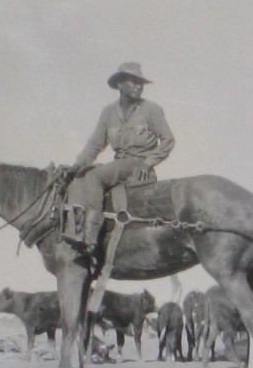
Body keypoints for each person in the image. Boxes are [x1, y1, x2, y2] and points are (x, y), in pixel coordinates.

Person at [61, 62, 175, 255]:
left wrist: (148, 163)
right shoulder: (108, 113)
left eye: (141, 83)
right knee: (82, 175)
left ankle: (89, 237)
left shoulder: (151, 109)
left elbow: (168, 140)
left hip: (138, 162)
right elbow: (95, 144)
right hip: (119, 163)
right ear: (120, 84)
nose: (139, 86)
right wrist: (78, 164)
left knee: (94, 177)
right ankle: (75, 229)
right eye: (134, 82)